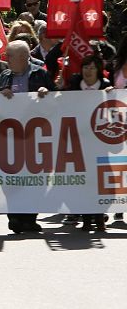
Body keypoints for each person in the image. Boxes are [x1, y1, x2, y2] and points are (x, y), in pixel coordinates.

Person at [0, 40, 53, 234]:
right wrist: (1, 93)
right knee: (11, 176)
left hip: (35, 135)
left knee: (35, 177)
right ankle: (15, 216)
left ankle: (30, 218)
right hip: (10, 135)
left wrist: (46, 93)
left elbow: (59, 98)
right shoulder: (4, 76)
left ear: (23, 57)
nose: (6, 59)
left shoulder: (40, 74)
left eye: (9, 56)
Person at [66, 53, 112, 232]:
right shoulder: (75, 85)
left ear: (98, 70)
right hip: (80, 140)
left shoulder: (107, 86)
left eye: (92, 67)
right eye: (85, 67)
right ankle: (86, 219)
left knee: (99, 182)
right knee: (84, 181)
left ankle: (99, 218)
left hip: (101, 142)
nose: (88, 71)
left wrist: (111, 94)